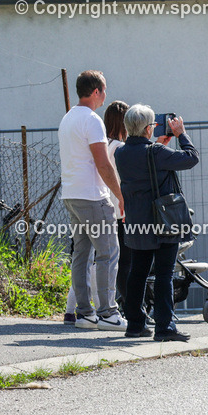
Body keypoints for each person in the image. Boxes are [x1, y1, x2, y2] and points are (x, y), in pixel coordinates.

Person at [115, 105, 199, 341]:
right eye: (152, 125)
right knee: (164, 274)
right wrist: (181, 134)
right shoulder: (156, 152)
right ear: (147, 128)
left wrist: (159, 144)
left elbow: (148, 162)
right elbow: (192, 158)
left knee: (137, 272)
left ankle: (135, 324)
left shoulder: (121, 153)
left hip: (136, 220)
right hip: (163, 221)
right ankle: (165, 327)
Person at [58, 70, 126, 331]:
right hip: (92, 197)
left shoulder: (67, 118)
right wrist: (119, 196)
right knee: (108, 253)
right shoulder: (93, 120)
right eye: (104, 90)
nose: (105, 95)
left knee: (82, 255)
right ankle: (108, 313)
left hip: (72, 195)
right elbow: (103, 164)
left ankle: (85, 314)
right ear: (96, 91)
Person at [104, 101, 132, 308]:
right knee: (125, 263)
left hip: (103, 209)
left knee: (103, 261)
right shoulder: (120, 148)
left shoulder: (101, 144)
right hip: (121, 212)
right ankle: (130, 306)